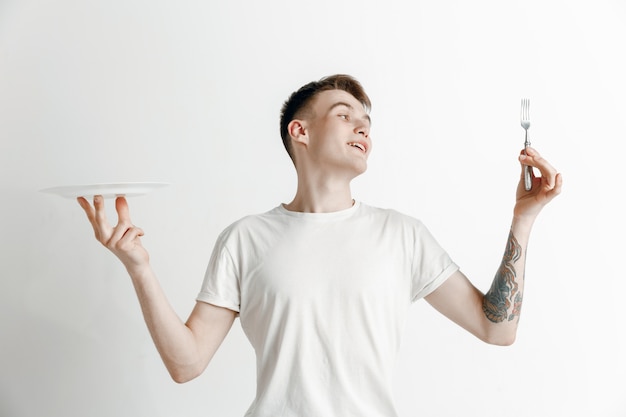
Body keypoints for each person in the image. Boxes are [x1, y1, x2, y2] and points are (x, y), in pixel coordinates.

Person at [77, 74, 562, 417]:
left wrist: (523, 218)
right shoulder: (245, 239)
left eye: (367, 121)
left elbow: (497, 329)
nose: (363, 127)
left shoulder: (402, 235)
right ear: (300, 131)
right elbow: (186, 364)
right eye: (344, 114)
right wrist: (138, 267)